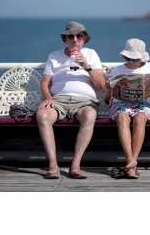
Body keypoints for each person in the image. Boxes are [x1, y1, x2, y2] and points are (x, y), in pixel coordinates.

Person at [36, 21, 105, 179]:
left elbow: (101, 85)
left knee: (89, 115)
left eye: (79, 36)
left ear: (84, 39)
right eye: (71, 36)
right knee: (42, 115)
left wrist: (86, 66)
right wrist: (48, 97)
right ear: (65, 39)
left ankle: (75, 165)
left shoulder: (91, 54)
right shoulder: (54, 56)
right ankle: (53, 165)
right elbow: (45, 83)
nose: (75, 39)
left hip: (84, 101)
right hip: (58, 100)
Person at [104, 38, 150, 179]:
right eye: (128, 58)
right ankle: (131, 161)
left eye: (135, 59)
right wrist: (109, 90)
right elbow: (107, 101)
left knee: (140, 117)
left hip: (145, 105)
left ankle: (132, 162)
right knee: (122, 117)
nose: (131, 62)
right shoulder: (117, 70)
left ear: (141, 58)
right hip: (122, 103)